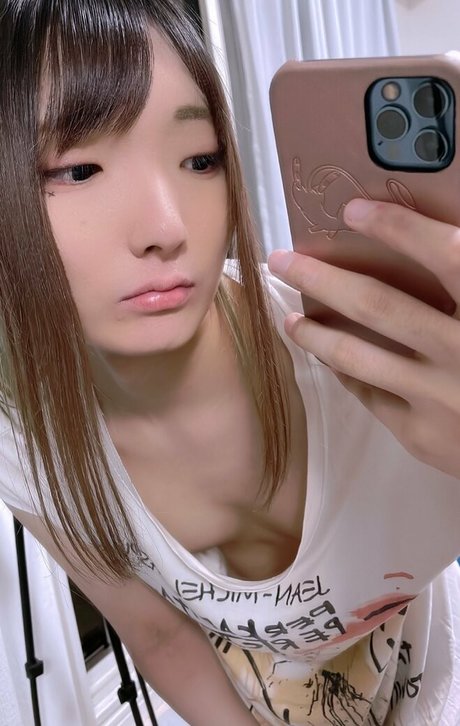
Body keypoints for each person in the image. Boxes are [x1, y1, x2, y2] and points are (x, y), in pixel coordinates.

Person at [0, 1, 459, 725]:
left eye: (200, 159)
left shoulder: (381, 358)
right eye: (79, 169)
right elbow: (157, 634)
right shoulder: (25, 441)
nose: (166, 227)